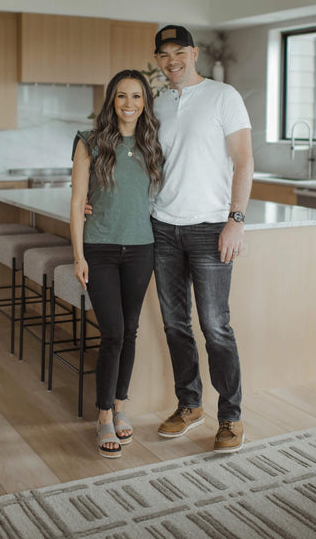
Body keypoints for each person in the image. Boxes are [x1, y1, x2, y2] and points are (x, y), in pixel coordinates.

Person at [151, 25, 254, 453]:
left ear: (194, 53)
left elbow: (245, 161)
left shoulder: (224, 96)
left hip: (211, 228)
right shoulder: (157, 103)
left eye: (179, 52)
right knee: (175, 325)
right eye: (163, 54)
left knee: (215, 326)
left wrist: (236, 221)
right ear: (157, 60)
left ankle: (230, 417)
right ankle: (189, 405)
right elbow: (151, 166)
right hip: (162, 227)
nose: (172, 60)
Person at [70, 69, 163, 458]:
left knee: (130, 330)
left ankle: (121, 405)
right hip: (101, 249)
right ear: (111, 101)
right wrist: (78, 255)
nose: (129, 104)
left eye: (137, 97)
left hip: (142, 249)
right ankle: (104, 415)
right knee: (113, 333)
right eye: (121, 96)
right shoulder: (89, 141)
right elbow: (77, 202)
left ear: (145, 103)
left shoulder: (152, 143)